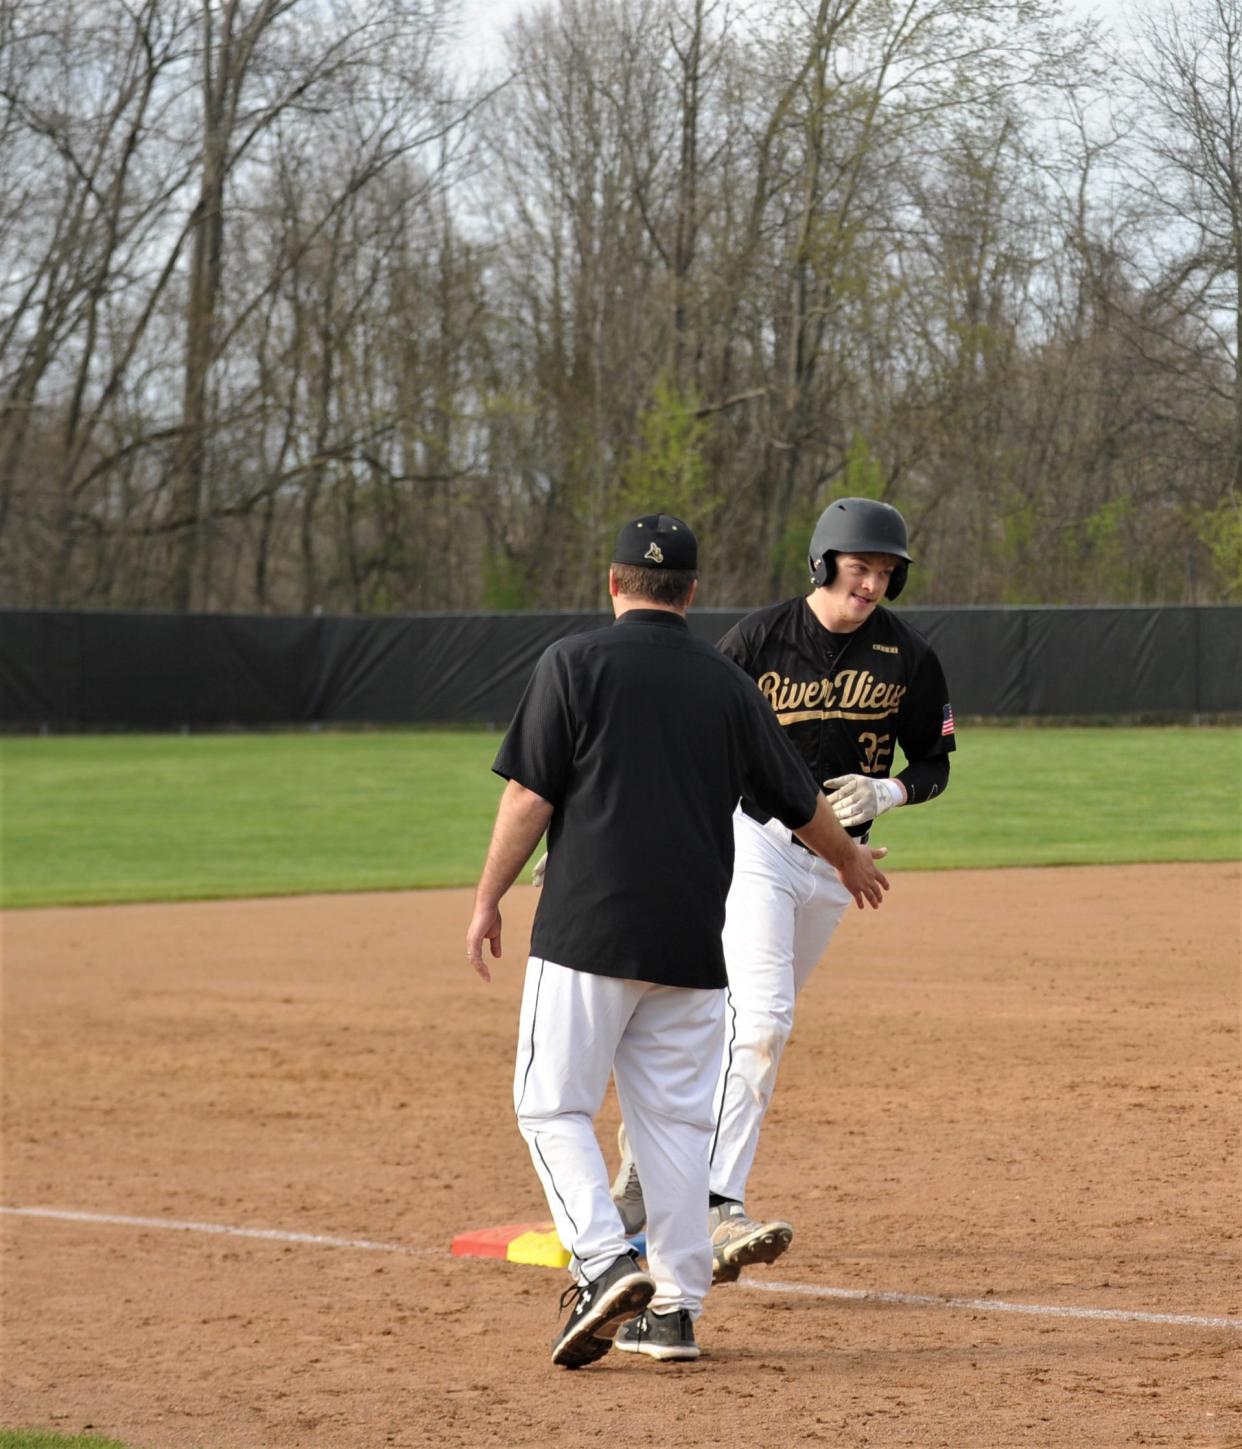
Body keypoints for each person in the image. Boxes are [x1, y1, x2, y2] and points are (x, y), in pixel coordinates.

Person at [465, 513, 891, 1370]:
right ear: (691, 593)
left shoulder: (572, 663)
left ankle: (600, 1263)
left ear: (614, 582)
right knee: (675, 1129)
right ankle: (676, 1311)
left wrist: (487, 899)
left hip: (588, 930)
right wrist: (848, 861)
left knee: (551, 1105)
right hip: (696, 942)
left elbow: (528, 800)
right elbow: (799, 797)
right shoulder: (728, 683)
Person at [610, 496, 956, 1285]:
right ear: (824, 562)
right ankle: (715, 1201)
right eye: (859, 566)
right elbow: (689, 735)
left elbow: (935, 763)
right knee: (762, 1024)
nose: (870, 582)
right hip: (757, 845)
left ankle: (648, 1151)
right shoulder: (758, 640)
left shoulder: (908, 655)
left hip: (837, 869)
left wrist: (889, 792)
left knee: (732, 1029)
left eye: (884, 571)